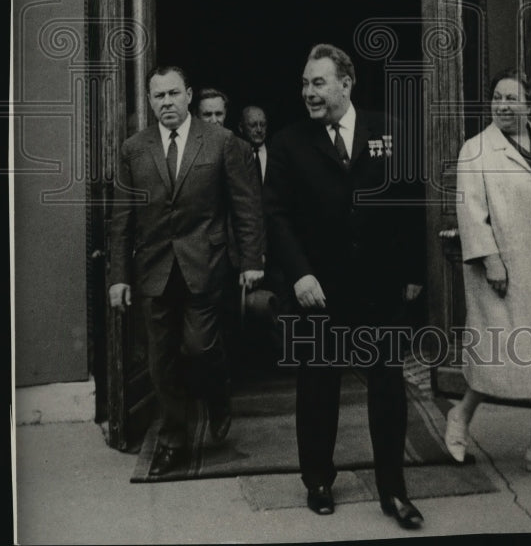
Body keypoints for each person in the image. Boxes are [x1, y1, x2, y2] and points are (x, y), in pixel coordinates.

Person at [263, 43, 425, 529]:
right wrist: (300, 274)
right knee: (317, 386)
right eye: (305, 84)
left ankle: (393, 490)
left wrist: (414, 270)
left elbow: (408, 202)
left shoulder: (390, 130)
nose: (308, 92)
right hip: (319, 289)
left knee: (388, 387)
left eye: (318, 82)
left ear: (346, 84)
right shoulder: (289, 143)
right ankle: (318, 480)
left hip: (380, 285)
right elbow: (275, 216)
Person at [108, 65, 264, 476]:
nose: (167, 103)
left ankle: (218, 393)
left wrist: (250, 261)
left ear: (189, 95)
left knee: (200, 348)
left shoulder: (221, 142)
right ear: (149, 100)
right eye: (158, 96)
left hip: (206, 264)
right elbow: (122, 218)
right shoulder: (134, 150)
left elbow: (245, 206)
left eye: (174, 94)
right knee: (161, 359)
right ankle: (173, 439)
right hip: (154, 270)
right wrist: (119, 276)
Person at [446, 68, 531, 482]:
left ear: (529, 104)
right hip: (507, 268)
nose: (503, 105)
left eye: (512, 98)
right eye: (497, 97)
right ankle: (460, 415)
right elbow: (470, 212)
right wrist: (491, 261)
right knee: (501, 354)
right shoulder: (477, 149)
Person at [238, 105, 269, 186]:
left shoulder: (276, 152)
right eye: (253, 125)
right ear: (241, 127)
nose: (259, 130)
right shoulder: (234, 154)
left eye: (263, 124)